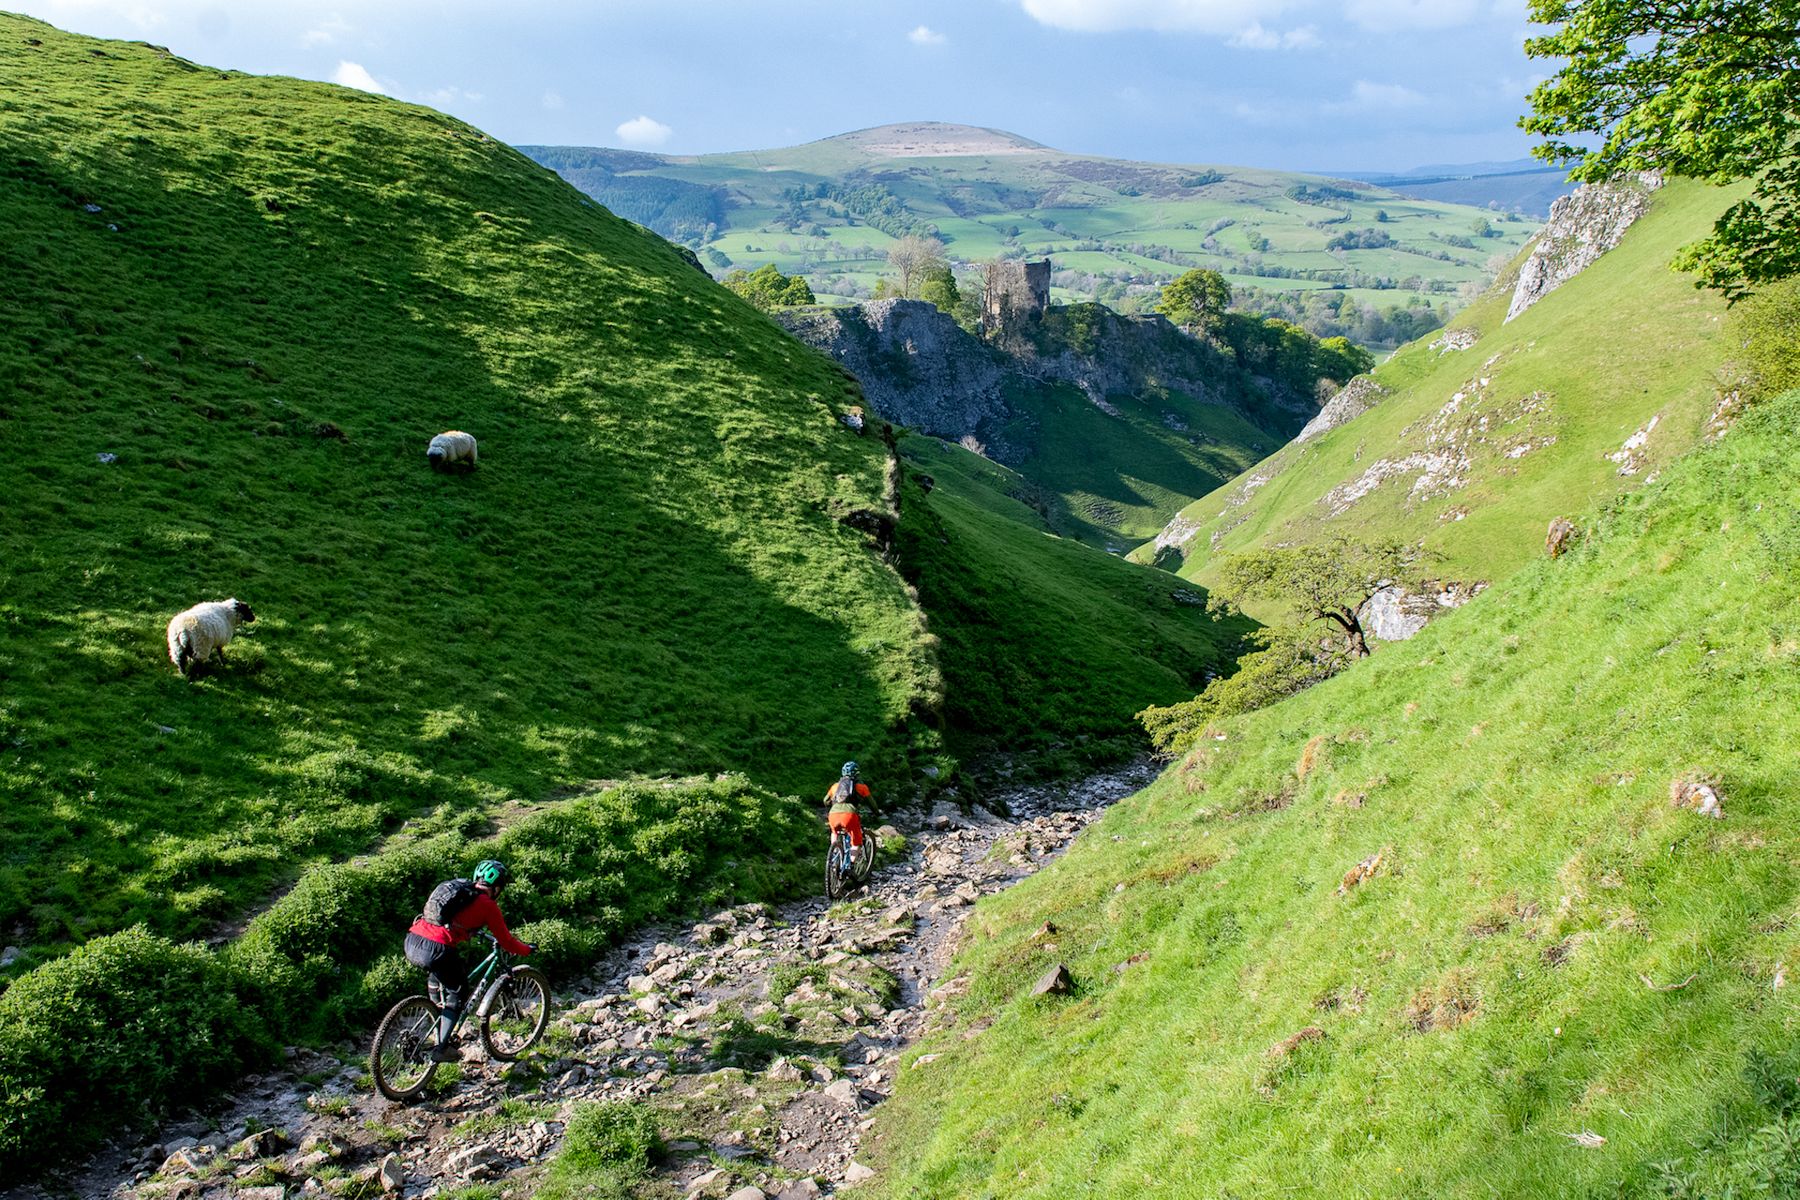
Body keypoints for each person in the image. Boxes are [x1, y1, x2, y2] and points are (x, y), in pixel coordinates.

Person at [404, 859, 533, 1059]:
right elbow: (506, 941)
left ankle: (437, 1015)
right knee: (459, 992)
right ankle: (442, 1048)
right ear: (497, 888)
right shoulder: (488, 905)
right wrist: (526, 950)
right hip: (436, 949)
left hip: (413, 940)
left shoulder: (459, 892)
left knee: (440, 974)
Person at [823, 761, 869, 858]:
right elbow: (872, 803)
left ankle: (834, 854)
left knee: (834, 832)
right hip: (850, 815)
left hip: (833, 815)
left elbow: (825, 800)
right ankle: (851, 864)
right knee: (856, 843)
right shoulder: (862, 787)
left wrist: (834, 806)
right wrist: (877, 813)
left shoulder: (835, 786)